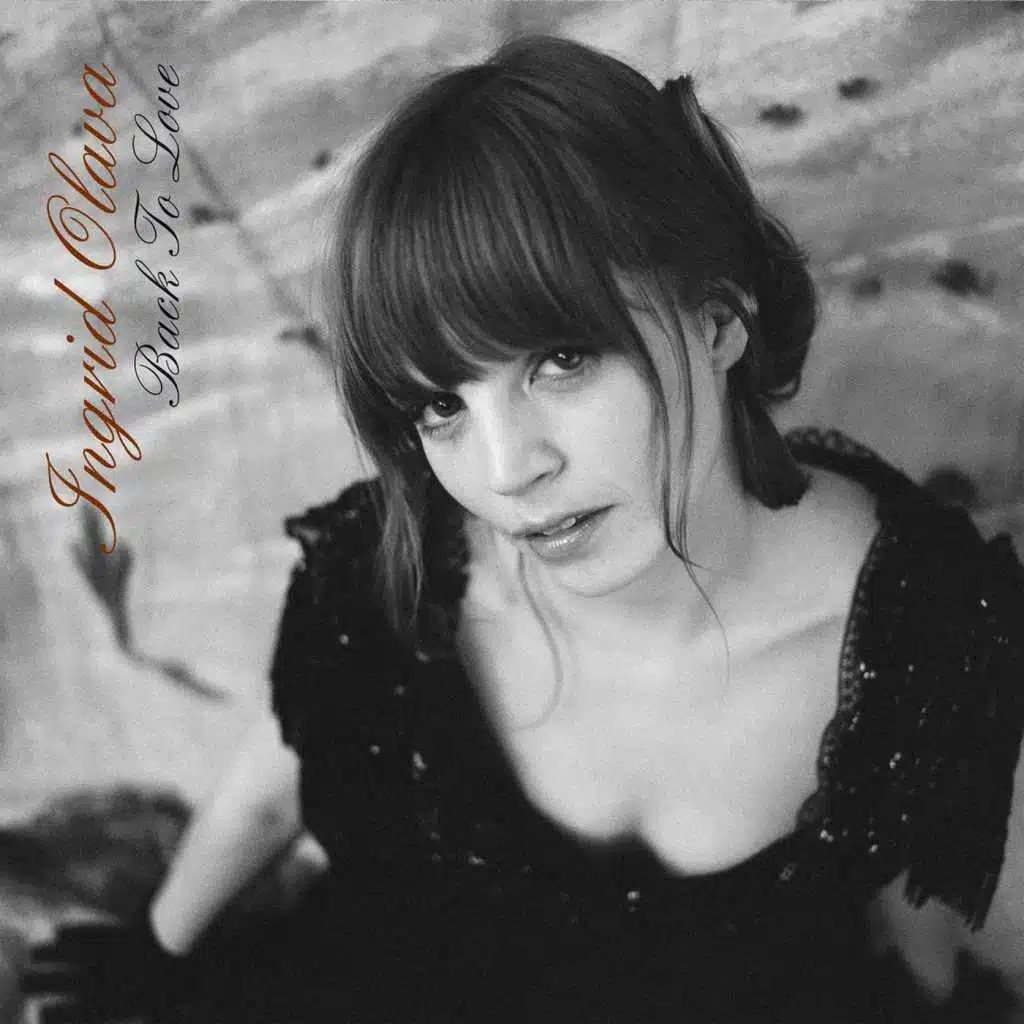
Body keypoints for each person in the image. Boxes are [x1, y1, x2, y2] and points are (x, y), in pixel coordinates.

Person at [24, 32, 1024, 1024]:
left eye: (561, 359)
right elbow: (267, 795)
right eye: (441, 406)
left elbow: (921, 926)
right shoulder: (397, 577)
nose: (507, 474)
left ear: (720, 321)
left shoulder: (928, 637)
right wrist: (156, 954)